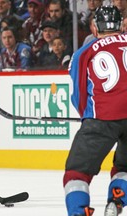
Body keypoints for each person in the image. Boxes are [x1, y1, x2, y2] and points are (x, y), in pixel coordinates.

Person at [64, 5, 127, 216]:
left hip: (101, 118)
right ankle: (117, 202)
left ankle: (80, 212)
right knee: (125, 167)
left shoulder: (85, 52)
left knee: (76, 173)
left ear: (94, 27)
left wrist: (87, 118)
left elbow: (79, 94)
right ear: (120, 25)